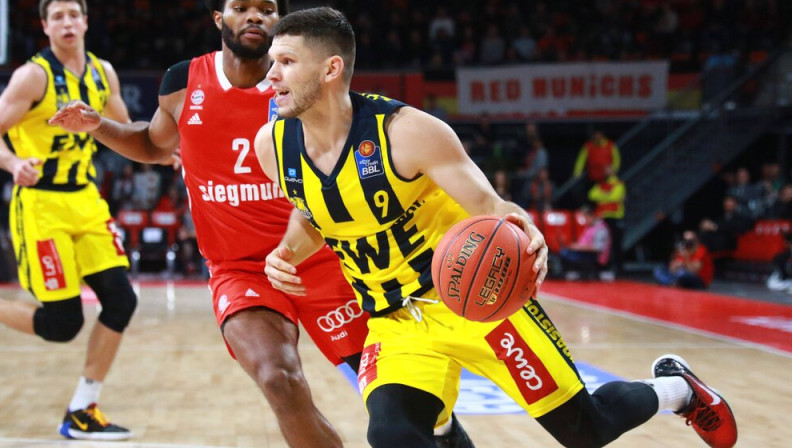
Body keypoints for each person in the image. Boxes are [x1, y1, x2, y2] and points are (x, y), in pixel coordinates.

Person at [256, 7, 737, 448]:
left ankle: (678, 389)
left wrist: (526, 231)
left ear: (330, 68)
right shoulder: (272, 147)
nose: (270, 74)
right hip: (395, 320)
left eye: (285, 61)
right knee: (393, 435)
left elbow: (491, 204)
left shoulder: (406, 132)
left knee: (586, 431)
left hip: (478, 299)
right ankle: (441, 421)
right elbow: (316, 212)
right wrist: (287, 251)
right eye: (271, 61)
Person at [48, 2, 473, 447]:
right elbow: (155, 145)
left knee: (411, 405)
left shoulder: (300, 88)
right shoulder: (182, 82)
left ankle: (444, 432)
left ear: (281, 23)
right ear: (219, 18)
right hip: (241, 270)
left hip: (326, 260)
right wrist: (100, 126)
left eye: (267, 8)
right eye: (242, 7)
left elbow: (338, 166)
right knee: (277, 378)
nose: (255, 16)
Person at [0, 0, 136, 440]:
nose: (67, 22)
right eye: (58, 16)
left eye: (74, 14)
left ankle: (82, 409)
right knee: (63, 324)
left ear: (87, 22)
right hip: (41, 205)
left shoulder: (102, 73)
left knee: (121, 300)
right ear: (45, 26)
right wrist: (13, 163)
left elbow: (125, 131)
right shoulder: (33, 76)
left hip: (87, 201)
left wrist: (164, 150)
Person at [587, 166, 626, 275]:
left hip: (615, 217)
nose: (606, 170)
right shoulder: (600, 184)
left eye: (609, 168)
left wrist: (602, 196)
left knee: (616, 244)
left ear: (614, 170)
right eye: (605, 169)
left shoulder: (618, 184)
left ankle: (618, 269)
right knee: (603, 244)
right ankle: (604, 267)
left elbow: (615, 197)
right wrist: (607, 196)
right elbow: (591, 195)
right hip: (603, 218)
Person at [557, 205, 611, 280]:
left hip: (595, 256)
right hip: (584, 252)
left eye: (585, 218)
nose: (584, 220)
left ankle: (572, 273)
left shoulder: (600, 229)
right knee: (564, 251)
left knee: (565, 253)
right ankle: (569, 273)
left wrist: (579, 247)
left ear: (591, 216)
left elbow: (598, 248)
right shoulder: (588, 227)